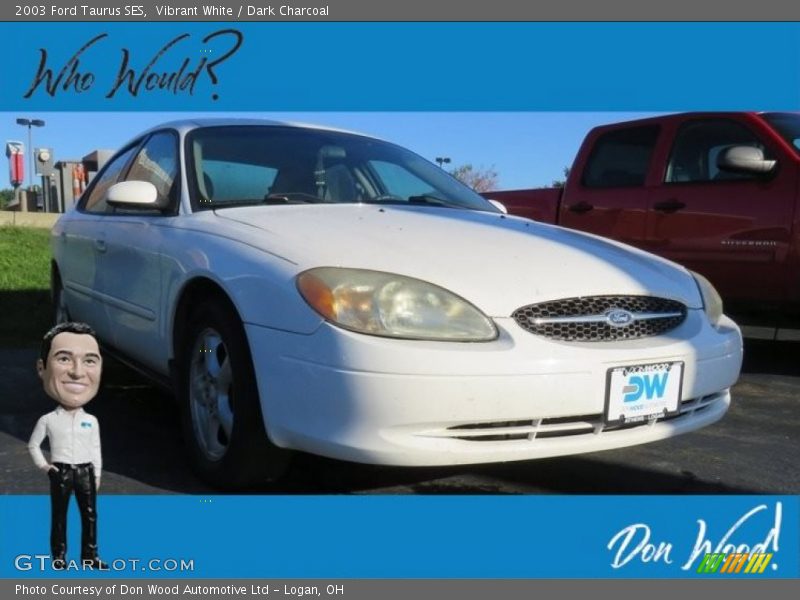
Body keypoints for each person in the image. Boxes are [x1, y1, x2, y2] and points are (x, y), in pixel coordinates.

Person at [28, 322, 107, 570]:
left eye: (90, 361)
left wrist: (96, 475)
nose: (77, 372)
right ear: (41, 368)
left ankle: (90, 556)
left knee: (90, 515)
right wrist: (46, 466)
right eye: (64, 359)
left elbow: (95, 450)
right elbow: (33, 445)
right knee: (59, 515)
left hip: (85, 471)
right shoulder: (48, 420)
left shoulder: (91, 421)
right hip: (61, 471)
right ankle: (59, 556)